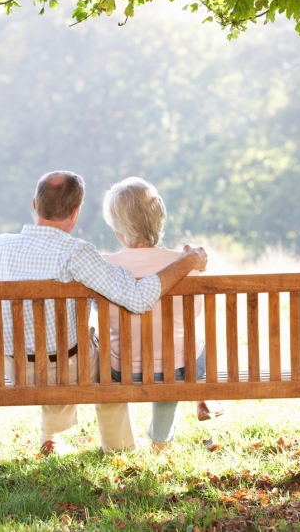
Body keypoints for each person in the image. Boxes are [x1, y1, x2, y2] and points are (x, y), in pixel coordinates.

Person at [0, 170, 208, 456]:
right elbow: (138, 299)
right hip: (66, 369)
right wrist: (187, 261)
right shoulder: (77, 253)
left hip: (10, 369)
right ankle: (118, 446)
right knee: (98, 358)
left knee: (69, 348)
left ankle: (50, 437)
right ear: (75, 212)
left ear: (35, 204)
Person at [97, 177, 224, 453]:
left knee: (166, 355)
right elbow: (194, 313)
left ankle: (119, 442)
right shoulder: (187, 262)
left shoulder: (104, 266)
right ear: (160, 219)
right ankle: (161, 441)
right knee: (179, 353)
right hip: (177, 369)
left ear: (118, 231)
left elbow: (99, 310)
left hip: (121, 369)